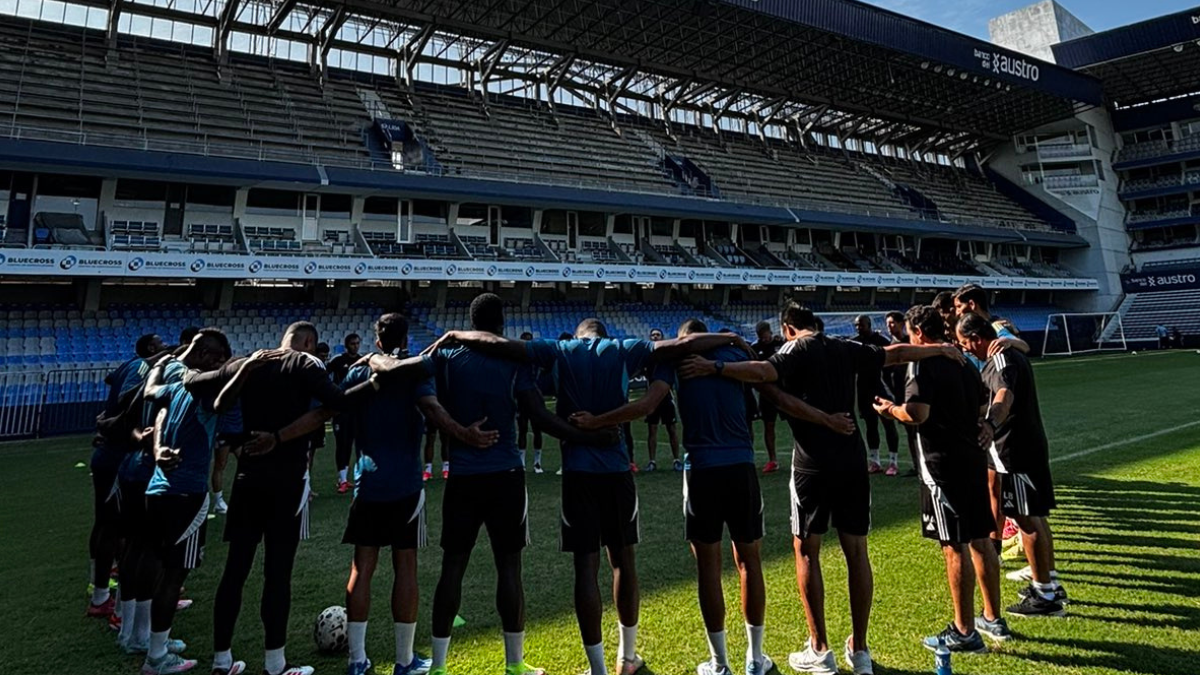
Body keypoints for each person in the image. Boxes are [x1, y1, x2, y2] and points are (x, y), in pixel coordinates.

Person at [421, 322, 746, 675]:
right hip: (616, 469)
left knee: (585, 568)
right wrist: (728, 337)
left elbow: (499, 343)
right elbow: (683, 344)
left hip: (577, 471)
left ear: (578, 336)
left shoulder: (559, 350)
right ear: (603, 334)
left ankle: (597, 668)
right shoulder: (623, 349)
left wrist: (458, 335)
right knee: (623, 562)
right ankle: (628, 657)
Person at [677, 302, 965, 675]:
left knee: (807, 552)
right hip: (851, 458)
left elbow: (763, 373)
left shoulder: (795, 349)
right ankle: (860, 650)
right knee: (857, 552)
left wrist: (715, 367)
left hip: (811, 463)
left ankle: (820, 647)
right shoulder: (844, 346)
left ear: (787, 328)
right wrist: (938, 348)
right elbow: (894, 354)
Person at [423, 295, 620, 675]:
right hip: (506, 475)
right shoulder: (513, 360)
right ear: (502, 323)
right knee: (509, 568)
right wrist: (589, 437)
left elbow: (429, 402)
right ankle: (514, 665)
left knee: (453, 567)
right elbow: (539, 415)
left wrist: (459, 431)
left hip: (462, 476)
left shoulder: (446, 357)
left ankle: (439, 666)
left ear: (471, 321)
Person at [570, 318, 780, 675]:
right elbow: (766, 375)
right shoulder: (733, 352)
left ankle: (720, 663)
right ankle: (756, 659)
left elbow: (646, 405)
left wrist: (597, 421)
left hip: (702, 471)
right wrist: (722, 363)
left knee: (708, 568)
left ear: (684, 340)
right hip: (740, 467)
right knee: (749, 562)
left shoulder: (675, 361)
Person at [208, 322, 386, 675]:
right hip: (285, 478)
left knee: (234, 570)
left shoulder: (251, 362)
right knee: (277, 573)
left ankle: (221, 659)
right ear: (308, 342)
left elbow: (218, 402)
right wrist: (375, 383)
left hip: (247, 476)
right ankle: (275, 663)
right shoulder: (305, 363)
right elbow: (338, 402)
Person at [333, 313, 501, 675]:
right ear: (405, 338)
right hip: (405, 483)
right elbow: (432, 409)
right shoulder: (414, 372)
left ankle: (357, 660)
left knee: (361, 568)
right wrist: (464, 434)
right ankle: (404, 659)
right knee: (405, 566)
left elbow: (341, 412)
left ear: (377, 341)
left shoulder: (357, 371)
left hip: (367, 481)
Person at [873, 305, 1007, 652]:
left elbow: (917, 413)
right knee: (981, 538)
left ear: (918, 332)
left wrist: (890, 409)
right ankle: (993, 617)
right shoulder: (963, 361)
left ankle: (964, 631)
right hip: (972, 459)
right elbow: (982, 404)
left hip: (941, 465)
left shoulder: (923, 363)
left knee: (954, 545)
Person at [138, 328, 251, 675]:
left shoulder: (175, 386)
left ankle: (152, 639)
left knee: (158, 567)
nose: (220, 367)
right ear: (205, 356)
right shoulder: (211, 394)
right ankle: (156, 657)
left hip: (156, 489)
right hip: (186, 492)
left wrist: (161, 364)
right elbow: (235, 429)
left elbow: (153, 396)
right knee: (174, 575)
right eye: (217, 360)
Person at [956, 313, 1067, 617]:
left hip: (1015, 449)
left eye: (965, 343)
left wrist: (990, 424)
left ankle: (1045, 596)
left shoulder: (1000, 358)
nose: (965, 349)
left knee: (1026, 519)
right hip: (1024, 445)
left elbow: (1004, 394)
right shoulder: (1008, 353)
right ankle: (1048, 583)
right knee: (1034, 517)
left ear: (976, 338)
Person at [87, 332, 165, 620]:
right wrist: (113, 425)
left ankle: (103, 590)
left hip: (110, 453)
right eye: (160, 344)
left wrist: (105, 422)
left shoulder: (128, 365)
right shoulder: (143, 369)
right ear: (151, 347)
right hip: (118, 457)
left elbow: (112, 387)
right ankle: (107, 599)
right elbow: (127, 403)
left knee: (108, 525)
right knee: (120, 530)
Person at [951, 284, 1030, 556]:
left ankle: (1017, 539)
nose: (956, 311)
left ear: (972, 304)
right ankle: (1000, 540)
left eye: (959, 306)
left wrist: (1010, 341)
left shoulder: (995, 329)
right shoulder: (972, 332)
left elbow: (1024, 347)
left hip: (996, 413)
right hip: (984, 407)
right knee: (992, 483)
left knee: (1007, 489)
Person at [850, 316, 899, 477]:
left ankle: (893, 462)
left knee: (888, 425)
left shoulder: (881, 341)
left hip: (882, 389)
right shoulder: (855, 342)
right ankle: (875, 461)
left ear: (869, 325)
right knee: (871, 426)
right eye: (856, 325)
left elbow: (892, 364)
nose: (858, 328)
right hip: (864, 391)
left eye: (861, 325)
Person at [329, 333, 364, 494]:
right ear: (346, 345)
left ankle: (350, 478)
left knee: (354, 444)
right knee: (342, 444)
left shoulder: (362, 361)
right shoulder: (338, 361)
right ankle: (342, 480)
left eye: (357, 343)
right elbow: (325, 377)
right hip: (341, 410)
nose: (355, 346)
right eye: (352, 344)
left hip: (357, 409)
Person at [643, 328, 683, 472]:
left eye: (657, 335)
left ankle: (676, 460)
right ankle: (652, 462)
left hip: (666, 397)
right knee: (652, 430)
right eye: (653, 335)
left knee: (672, 429)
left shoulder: (667, 356)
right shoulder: (647, 357)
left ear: (662, 337)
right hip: (652, 398)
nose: (655, 337)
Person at [750, 321, 783, 474]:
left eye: (765, 336)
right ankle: (773, 460)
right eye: (761, 337)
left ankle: (802, 454)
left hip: (784, 391)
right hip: (767, 393)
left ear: (770, 332)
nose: (764, 339)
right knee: (769, 425)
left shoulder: (780, 344)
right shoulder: (755, 348)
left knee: (797, 422)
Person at [517, 331, 546, 472]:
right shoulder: (517, 359)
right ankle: (522, 462)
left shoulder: (535, 358)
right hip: (522, 398)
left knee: (537, 430)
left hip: (534, 397)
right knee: (522, 429)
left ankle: (537, 463)